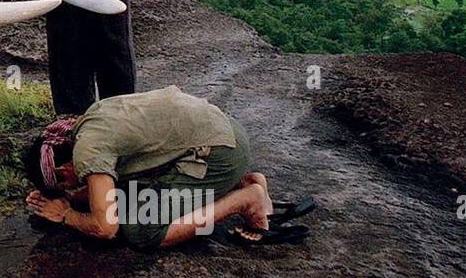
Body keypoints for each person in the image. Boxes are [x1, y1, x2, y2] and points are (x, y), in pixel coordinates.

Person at [22, 86, 313, 249]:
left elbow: (105, 227)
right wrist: (70, 198)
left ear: (62, 169)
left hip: (219, 155)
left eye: (68, 184)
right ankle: (241, 181)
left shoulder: (89, 151)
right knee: (133, 194)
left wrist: (65, 214)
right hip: (226, 132)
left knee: (142, 230)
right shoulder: (88, 123)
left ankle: (246, 199)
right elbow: (111, 188)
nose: (76, 186)